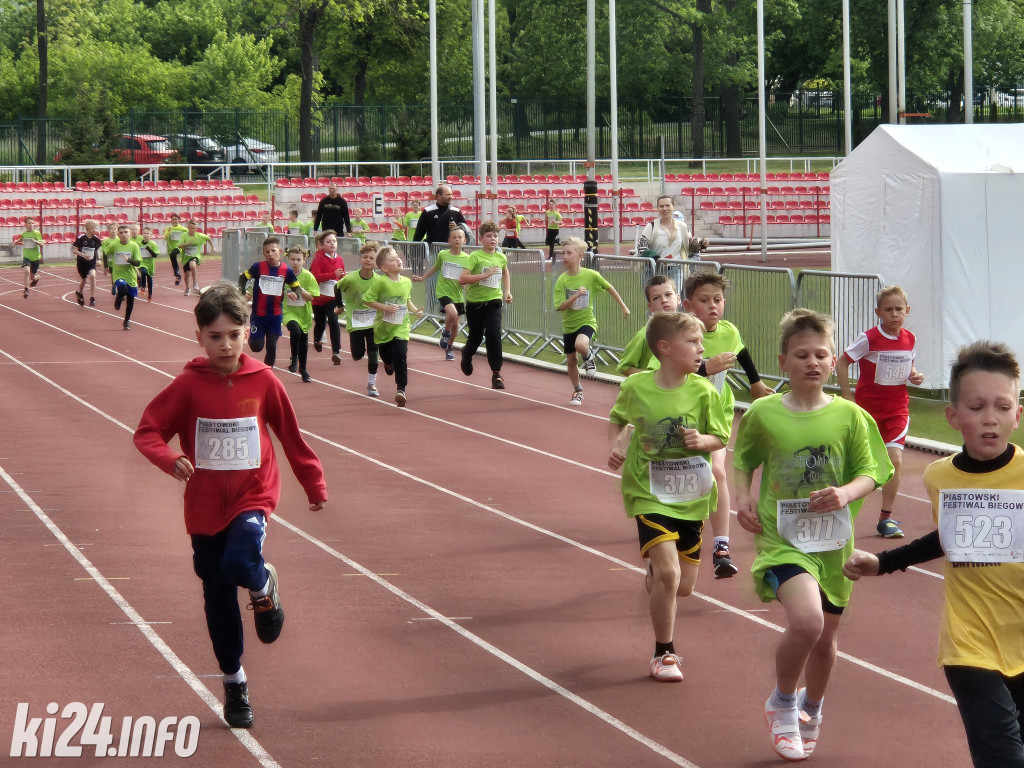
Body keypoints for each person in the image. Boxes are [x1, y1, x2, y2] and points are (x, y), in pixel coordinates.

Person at [133, 281, 327, 730]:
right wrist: (169, 458)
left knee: (242, 559)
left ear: (247, 332)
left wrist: (313, 484)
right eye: (215, 336)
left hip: (252, 494)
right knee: (216, 594)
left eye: (233, 335)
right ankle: (234, 680)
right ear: (199, 336)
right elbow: (148, 432)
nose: (225, 345)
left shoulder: (263, 380)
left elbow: (290, 435)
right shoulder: (186, 386)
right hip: (203, 505)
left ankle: (262, 588)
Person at [843, 341, 1024, 768]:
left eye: (1002, 406)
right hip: (969, 643)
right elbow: (951, 537)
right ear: (953, 415)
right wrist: (884, 562)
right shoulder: (939, 476)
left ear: (1017, 414)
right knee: (1002, 757)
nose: (990, 418)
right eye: (977, 407)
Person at [730, 308, 893, 762]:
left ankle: (813, 708)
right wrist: (741, 497)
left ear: (832, 360)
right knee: (807, 622)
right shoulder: (764, 413)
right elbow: (743, 459)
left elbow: (874, 471)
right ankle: (782, 703)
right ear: (783, 361)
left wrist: (845, 492)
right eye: (801, 354)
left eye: (822, 354)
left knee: (825, 641)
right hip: (783, 539)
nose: (813, 362)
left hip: (834, 543)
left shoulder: (851, 417)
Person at [607, 312, 731, 683]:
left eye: (700, 342)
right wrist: (617, 445)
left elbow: (721, 437)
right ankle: (665, 652)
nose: (701, 348)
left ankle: (657, 573)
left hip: (692, 495)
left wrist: (702, 441)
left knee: (684, 587)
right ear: (665, 348)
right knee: (669, 573)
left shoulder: (705, 391)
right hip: (648, 490)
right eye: (692, 342)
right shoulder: (637, 388)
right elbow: (620, 420)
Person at [683, 271, 776, 578]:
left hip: (717, 415)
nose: (713, 306)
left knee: (717, 471)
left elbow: (741, 349)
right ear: (688, 304)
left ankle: (721, 548)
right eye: (704, 300)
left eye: (718, 300)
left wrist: (756, 382)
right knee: (686, 478)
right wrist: (705, 368)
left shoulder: (728, 331)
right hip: (683, 416)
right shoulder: (681, 334)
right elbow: (669, 373)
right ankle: (669, 534)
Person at [836, 285, 925, 539]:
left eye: (899, 309)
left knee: (894, 460)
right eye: (888, 309)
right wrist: (846, 395)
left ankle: (885, 519)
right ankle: (838, 510)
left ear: (907, 311)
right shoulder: (869, 338)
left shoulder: (910, 338)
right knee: (856, 464)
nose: (894, 314)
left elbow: (909, 369)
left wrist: (915, 376)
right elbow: (843, 362)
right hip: (867, 412)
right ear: (878, 312)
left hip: (897, 410)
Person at [553, 236, 630, 406]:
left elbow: (609, 287)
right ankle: (578, 390)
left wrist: (623, 306)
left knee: (581, 345)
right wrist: (575, 296)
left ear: (580, 256)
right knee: (571, 360)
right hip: (568, 326)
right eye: (563, 253)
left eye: (569, 253)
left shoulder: (591, 275)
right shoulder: (562, 280)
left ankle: (588, 356)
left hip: (587, 321)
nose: (564, 256)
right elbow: (560, 307)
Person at [363, 246, 424, 407]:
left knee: (401, 353)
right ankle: (388, 363)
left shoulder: (406, 281)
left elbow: (407, 300)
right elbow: (367, 300)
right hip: (384, 328)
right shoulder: (380, 282)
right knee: (386, 354)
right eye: (392, 259)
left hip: (401, 326)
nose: (398, 260)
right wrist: (385, 308)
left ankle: (401, 390)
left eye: (397, 257)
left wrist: (415, 310)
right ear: (383, 267)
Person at [238, 236, 311, 369]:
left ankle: (267, 372)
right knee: (256, 347)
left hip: (275, 316)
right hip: (258, 315)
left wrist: (295, 294)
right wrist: (243, 292)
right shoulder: (257, 267)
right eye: (267, 252)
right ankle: (253, 336)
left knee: (271, 346)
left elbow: (296, 288)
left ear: (280, 251)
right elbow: (242, 278)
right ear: (264, 253)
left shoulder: (286, 270)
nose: (270, 254)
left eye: (273, 251)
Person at [459, 220, 512, 390]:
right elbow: (463, 279)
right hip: (475, 303)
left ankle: (496, 373)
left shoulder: (501, 256)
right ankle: (467, 353)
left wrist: (507, 292)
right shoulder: (475, 257)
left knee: (494, 334)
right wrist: (484, 275)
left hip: (494, 302)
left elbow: (505, 272)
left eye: (495, 236)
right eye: (488, 236)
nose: (493, 239)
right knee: (475, 337)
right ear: (481, 239)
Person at [411, 225, 472, 361]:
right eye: (454, 237)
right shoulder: (443, 254)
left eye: (460, 237)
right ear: (449, 240)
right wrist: (422, 278)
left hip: (457, 293)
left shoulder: (468, 258)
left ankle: (449, 347)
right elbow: (435, 267)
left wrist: (467, 283)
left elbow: (467, 275)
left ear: (465, 240)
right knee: (452, 313)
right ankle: (446, 331)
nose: (457, 240)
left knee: (456, 324)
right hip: (443, 291)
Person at [336, 242, 384, 397]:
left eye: (372, 258)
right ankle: (358, 353)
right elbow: (337, 287)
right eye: (365, 257)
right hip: (356, 322)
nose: (368, 260)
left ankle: (372, 384)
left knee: (373, 352)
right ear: (360, 259)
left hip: (373, 322)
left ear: (377, 262)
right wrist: (340, 306)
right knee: (357, 354)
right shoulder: (350, 278)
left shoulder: (379, 281)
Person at [617, 275, 683, 377]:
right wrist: (653, 378)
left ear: (678, 299)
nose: (664, 300)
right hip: (654, 391)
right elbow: (624, 367)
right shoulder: (645, 335)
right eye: (656, 298)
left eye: (668, 294)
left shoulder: (688, 330)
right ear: (650, 306)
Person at [282, 245, 319, 383]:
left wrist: (298, 290)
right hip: (288, 311)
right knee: (295, 332)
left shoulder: (308, 277)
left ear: (304, 260)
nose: (295, 262)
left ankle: (303, 369)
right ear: (288, 259)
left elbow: (311, 297)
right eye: (292, 259)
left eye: (298, 259)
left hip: (303, 313)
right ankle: (294, 359)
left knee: (303, 342)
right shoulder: (284, 274)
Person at [309, 230, 346, 366]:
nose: (332, 244)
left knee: (334, 320)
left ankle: (336, 351)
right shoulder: (318, 258)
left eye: (334, 241)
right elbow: (316, 277)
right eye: (328, 242)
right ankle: (317, 339)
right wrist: (332, 274)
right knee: (320, 322)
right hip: (319, 297)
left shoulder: (340, 259)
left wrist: (344, 279)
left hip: (333, 297)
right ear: (322, 244)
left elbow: (341, 276)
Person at [634, 195, 708, 260]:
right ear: (658, 208)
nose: (664, 209)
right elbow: (641, 248)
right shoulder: (651, 227)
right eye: (661, 206)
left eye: (668, 205)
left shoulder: (682, 226)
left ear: (673, 207)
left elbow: (690, 247)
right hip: (655, 270)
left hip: (677, 269)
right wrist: (657, 259)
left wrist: (701, 244)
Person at [103, 223, 142, 330]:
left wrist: (128, 260)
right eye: (121, 233)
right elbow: (105, 252)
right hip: (118, 274)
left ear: (130, 234)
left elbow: (138, 263)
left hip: (131, 276)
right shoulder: (114, 245)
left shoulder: (134, 246)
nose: (124, 234)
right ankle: (118, 298)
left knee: (130, 301)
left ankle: (126, 321)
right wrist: (105, 265)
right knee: (122, 288)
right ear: (118, 235)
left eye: (126, 232)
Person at [72, 218, 102, 307]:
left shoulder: (96, 239)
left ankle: (92, 297)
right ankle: (79, 293)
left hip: (91, 262)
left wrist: (99, 259)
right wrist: (83, 255)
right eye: (95, 228)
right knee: (84, 280)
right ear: (89, 228)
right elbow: (74, 250)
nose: (97, 230)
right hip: (81, 263)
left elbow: (97, 250)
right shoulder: (81, 238)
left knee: (93, 276)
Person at [178, 220, 213, 297]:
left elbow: (208, 238)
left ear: (196, 228)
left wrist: (212, 248)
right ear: (188, 228)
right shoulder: (184, 236)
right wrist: (187, 244)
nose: (192, 230)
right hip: (185, 257)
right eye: (191, 228)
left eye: (194, 228)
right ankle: (187, 288)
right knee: (186, 274)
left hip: (195, 256)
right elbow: (179, 245)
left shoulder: (199, 236)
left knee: (193, 265)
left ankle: (195, 282)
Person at [19, 216, 44, 299]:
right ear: (25, 225)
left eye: (32, 223)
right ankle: (26, 290)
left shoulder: (37, 233)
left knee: (32, 277)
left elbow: (42, 245)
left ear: (34, 225)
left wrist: (35, 241)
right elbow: (20, 240)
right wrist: (16, 242)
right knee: (26, 271)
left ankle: (36, 278)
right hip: (26, 256)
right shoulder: (24, 234)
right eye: (29, 223)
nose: (31, 225)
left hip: (35, 257)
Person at [136, 226, 160, 302]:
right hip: (142, 262)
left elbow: (155, 255)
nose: (145, 235)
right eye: (144, 233)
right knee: (143, 271)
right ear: (142, 234)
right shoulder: (139, 244)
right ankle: (143, 286)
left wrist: (149, 250)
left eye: (147, 233)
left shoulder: (153, 244)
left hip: (150, 263)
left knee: (149, 280)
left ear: (151, 235)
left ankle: (150, 295)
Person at [164, 213, 187, 286]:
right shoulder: (168, 229)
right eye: (172, 219)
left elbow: (188, 235)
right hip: (171, 247)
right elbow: (165, 237)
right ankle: (177, 276)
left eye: (175, 219)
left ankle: (181, 273)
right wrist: (168, 232)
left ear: (179, 220)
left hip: (179, 246)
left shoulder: (183, 229)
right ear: (170, 221)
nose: (174, 221)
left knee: (174, 253)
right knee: (173, 261)